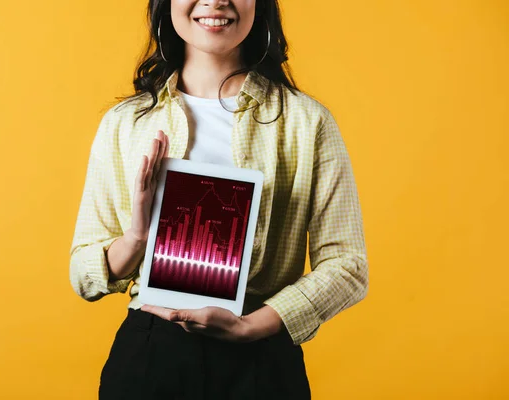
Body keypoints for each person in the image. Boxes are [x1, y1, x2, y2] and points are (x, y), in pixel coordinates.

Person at [69, 0, 369, 398]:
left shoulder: (307, 122)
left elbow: (348, 266)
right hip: (151, 355)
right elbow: (83, 273)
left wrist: (252, 326)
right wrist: (138, 235)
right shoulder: (126, 123)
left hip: (261, 359)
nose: (215, 1)